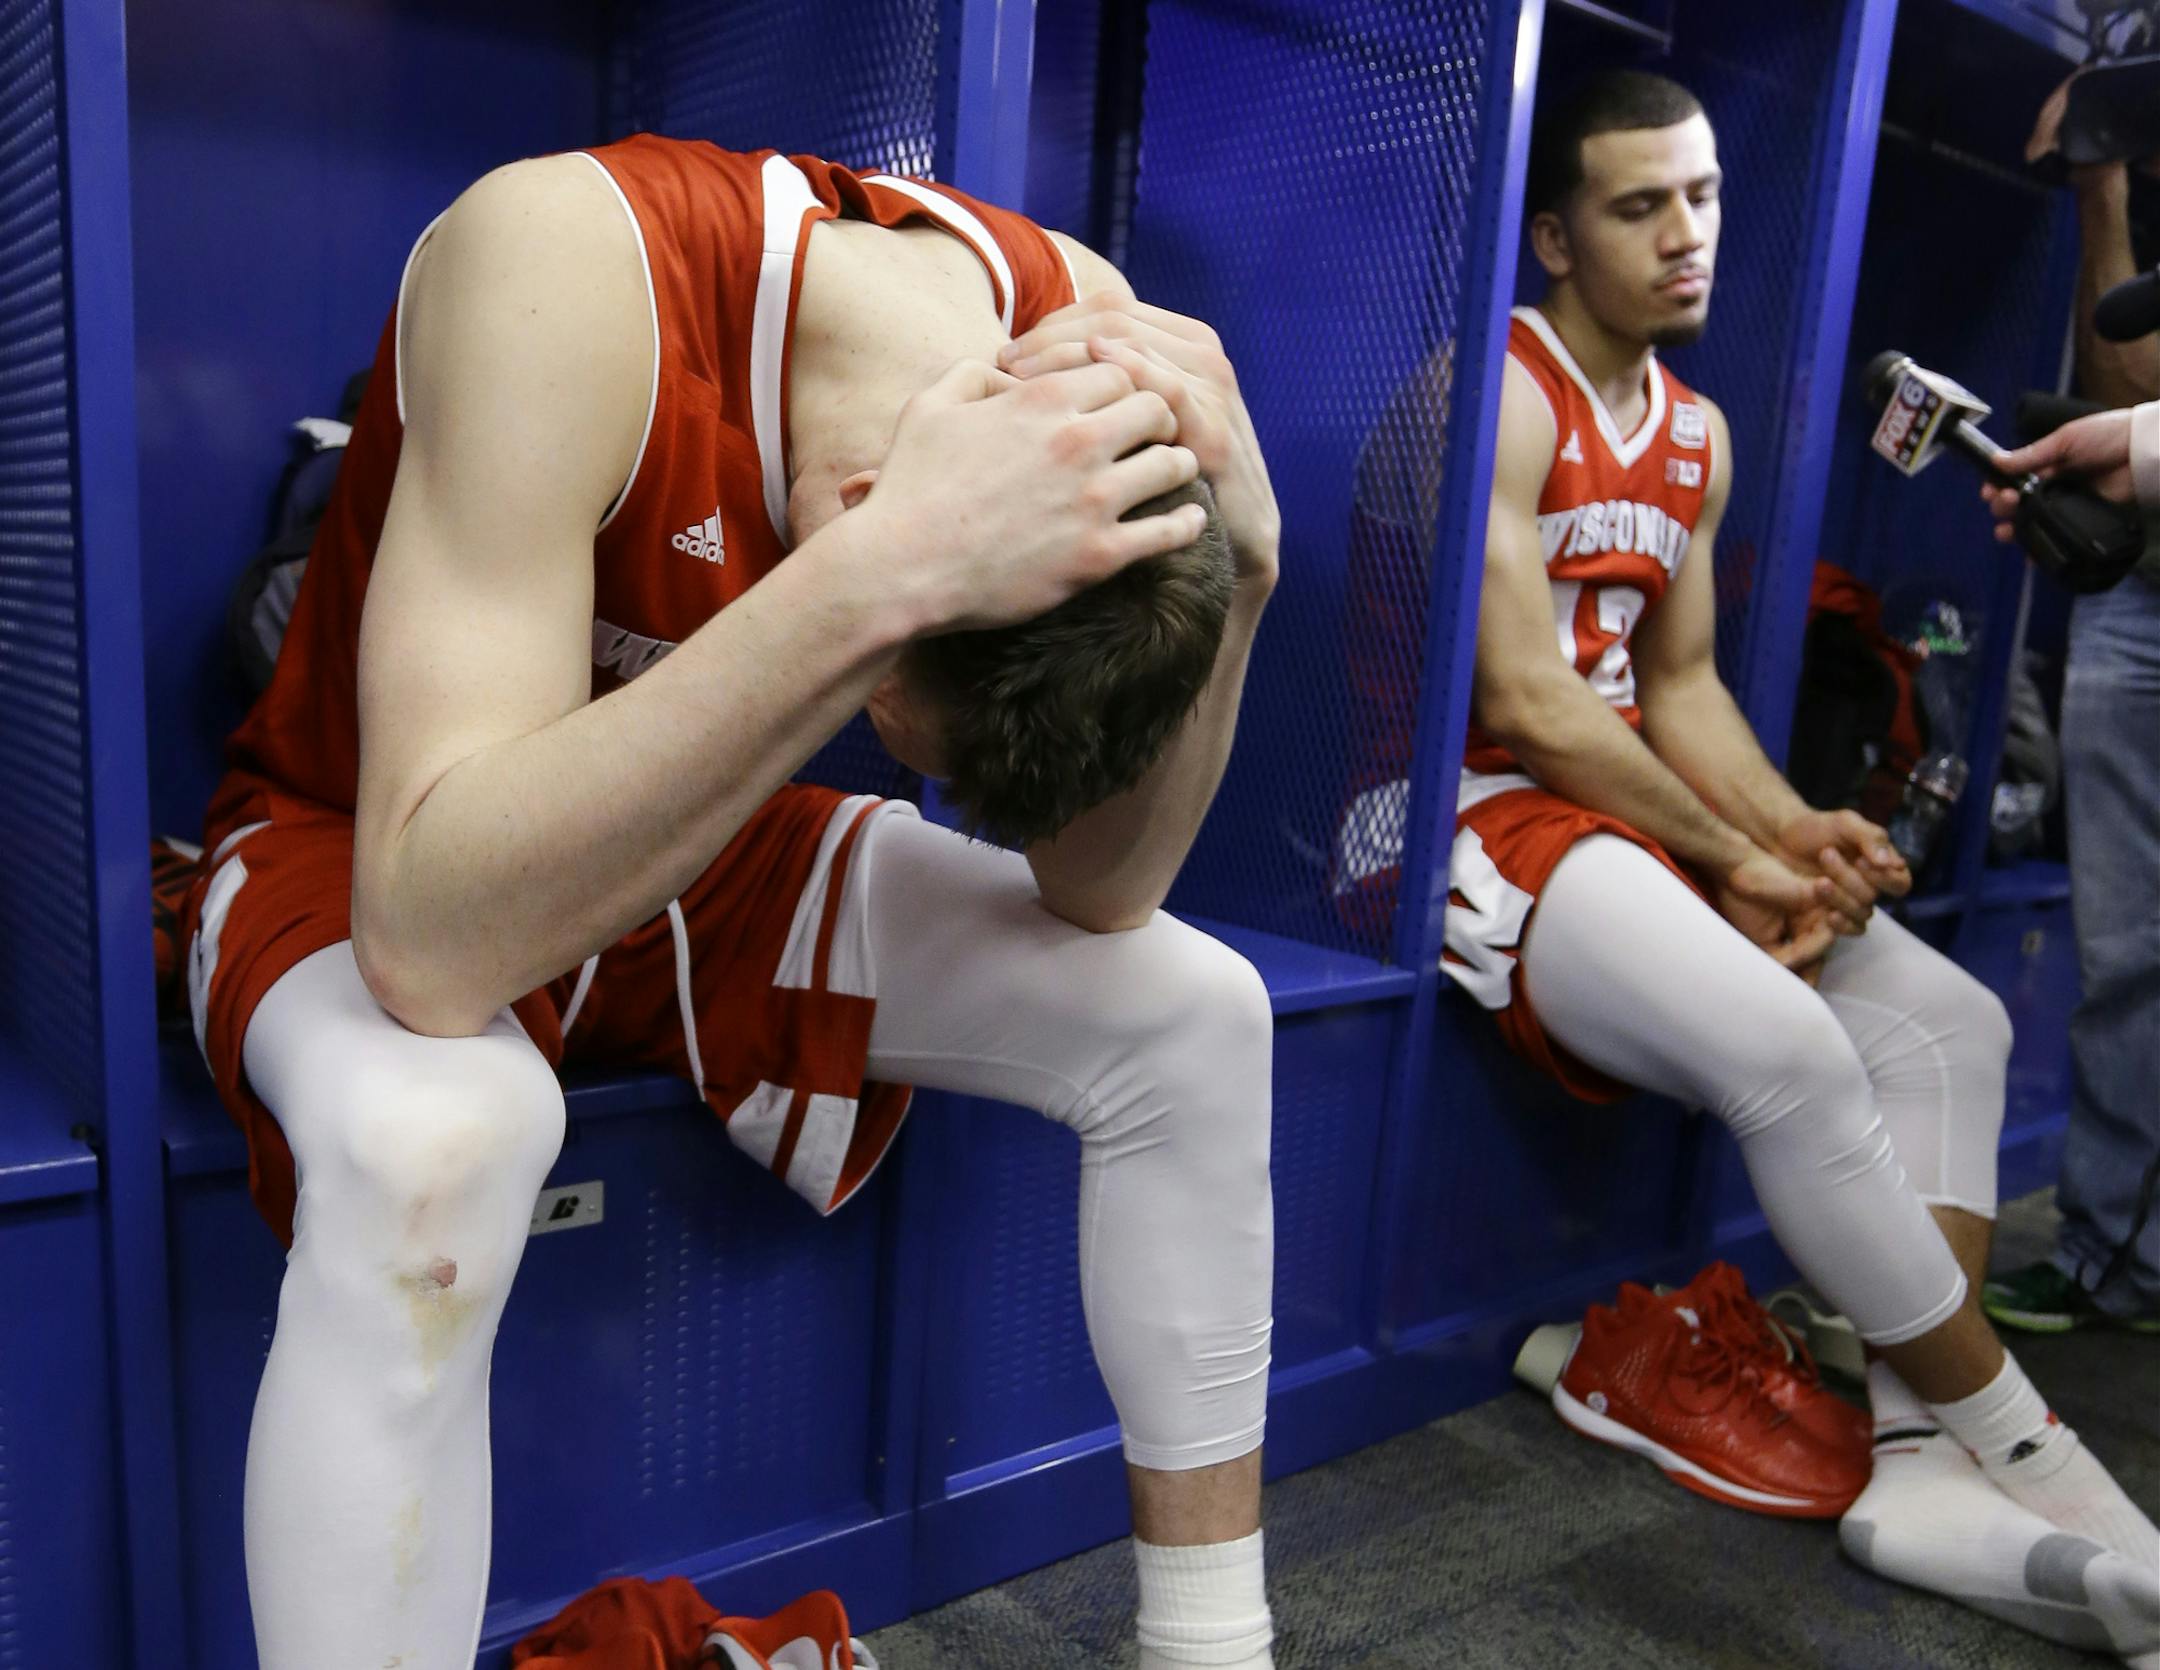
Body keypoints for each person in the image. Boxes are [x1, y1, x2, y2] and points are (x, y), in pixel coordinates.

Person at [181, 136, 1283, 1670]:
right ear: (865, 505)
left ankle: (1216, 1649)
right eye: (892, 701)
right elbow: (430, 940)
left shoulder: (1092, 334)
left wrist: (1248, 584)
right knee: (433, 1139)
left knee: (1195, 1012)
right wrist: (883, 577)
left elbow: (1106, 891)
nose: (879, 729)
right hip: (364, 831)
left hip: (708, 849)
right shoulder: (565, 262)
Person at [1340, 70, 2158, 1661]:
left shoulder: (1695, 436)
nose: (1687, 234)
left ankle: (1915, 1465)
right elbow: (1523, 700)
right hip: (1444, 817)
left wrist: (1789, 832)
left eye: (1704, 197)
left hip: (1616, 818)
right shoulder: (1490, 388)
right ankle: (2036, 1453)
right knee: (1792, 1045)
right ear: (1555, 238)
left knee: (1953, 1019)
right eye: (1640, 206)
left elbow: (1685, 687)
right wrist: (1735, 853)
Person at [1970, 82, 2160, 1339]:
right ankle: (2117, 1260)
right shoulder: (2132, 121)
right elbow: (2122, 368)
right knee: (2128, 944)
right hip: (2141, 586)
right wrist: (2104, 173)